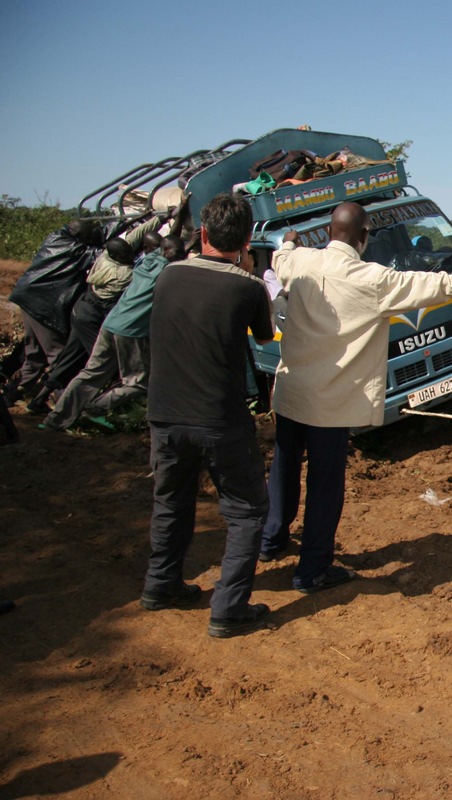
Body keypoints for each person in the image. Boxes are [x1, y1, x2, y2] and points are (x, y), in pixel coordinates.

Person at [258, 202, 452, 592]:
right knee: (324, 487)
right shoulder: (374, 279)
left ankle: (270, 542)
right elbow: (443, 285)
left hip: (292, 393)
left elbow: (281, 256)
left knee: (283, 470)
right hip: (329, 405)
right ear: (365, 237)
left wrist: (291, 242)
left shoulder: (299, 263)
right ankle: (312, 570)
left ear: (331, 232)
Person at [141, 193, 275, 639]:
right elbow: (262, 335)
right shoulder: (248, 287)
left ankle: (161, 585)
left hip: (164, 411)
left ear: (202, 233)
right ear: (247, 240)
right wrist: (250, 273)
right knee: (246, 511)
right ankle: (228, 608)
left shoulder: (167, 276)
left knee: (171, 501)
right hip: (220, 416)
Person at [41, 234, 184, 431]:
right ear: (167, 252)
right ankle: (93, 409)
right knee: (137, 383)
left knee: (91, 373)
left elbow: (168, 244)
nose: (182, 257)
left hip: (110, 324)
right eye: (180, 253)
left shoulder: (147, 261)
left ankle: (56, 419)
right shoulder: (168, 273)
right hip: (131, 331)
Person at [5, 219, 102, 407]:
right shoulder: (76, 250)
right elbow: (102, 255)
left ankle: (14, 394)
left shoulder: (54, 238)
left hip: (29, 297)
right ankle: (63, 402)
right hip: (43, 305)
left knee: (34, 352)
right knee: (57, 354)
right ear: (79, 237)